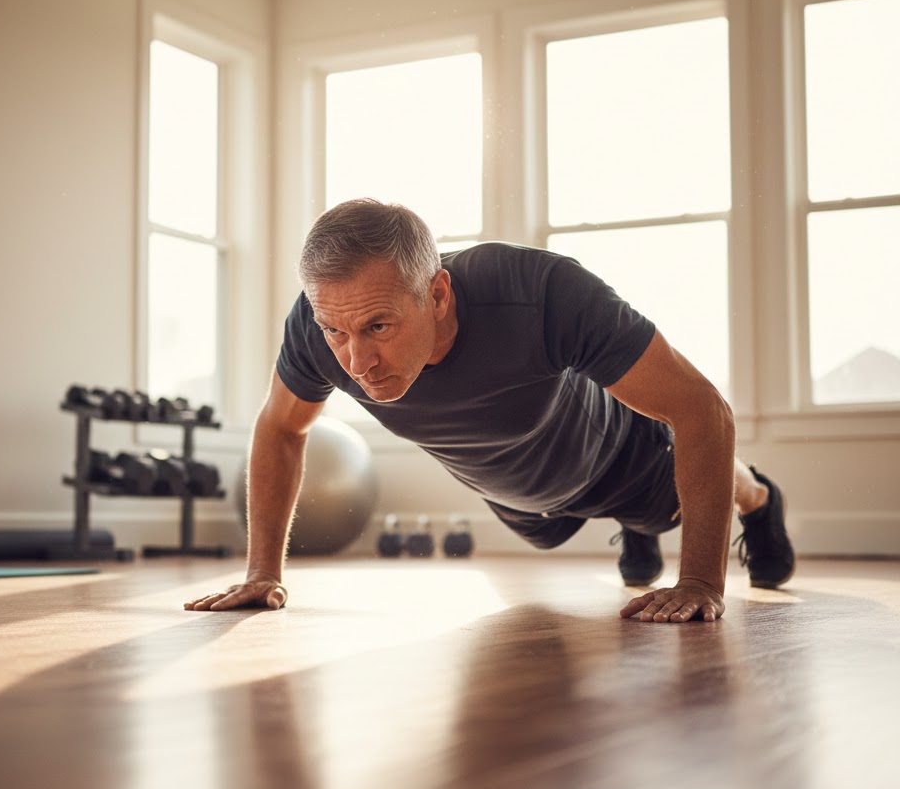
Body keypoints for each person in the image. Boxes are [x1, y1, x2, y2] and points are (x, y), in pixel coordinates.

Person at [185, 199, 795, 622]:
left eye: (378, 326)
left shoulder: (539, 292)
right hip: (517, 492)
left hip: (614, 456)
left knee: (663, 508)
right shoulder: (319, 328)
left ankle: (759, 499)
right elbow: (281, 426)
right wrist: (262, 572)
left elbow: (701, 410)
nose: (357, 362)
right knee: (545, 535)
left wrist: (699, 583)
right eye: (336, 332)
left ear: (439, 294)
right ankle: (630, 530)